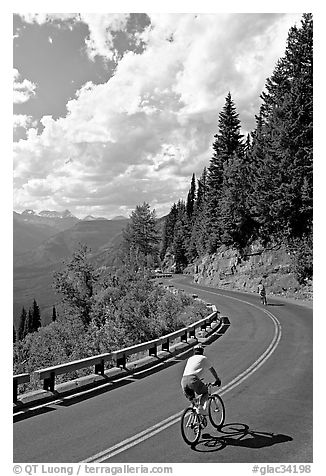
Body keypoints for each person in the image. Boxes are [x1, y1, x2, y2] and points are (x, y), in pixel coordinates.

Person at [181, 344, 221, 418]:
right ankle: (201, 408)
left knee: (193, 401)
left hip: (184, 381)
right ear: (202, 351)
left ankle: (195, 421)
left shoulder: (190, 359)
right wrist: (217, 379)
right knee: (205, 392)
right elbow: (212, 370)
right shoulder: (203, 358)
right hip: (193, 380)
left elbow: (192, 370)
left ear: (194, 352)